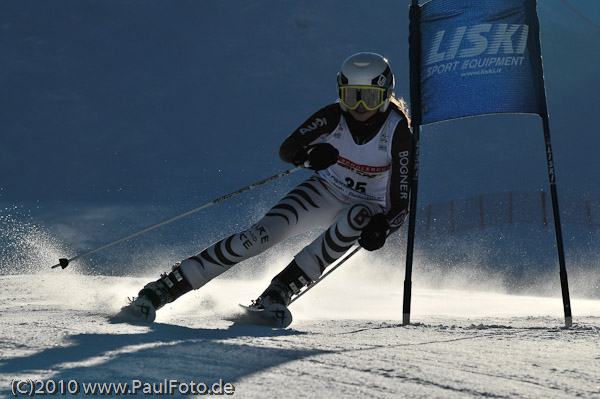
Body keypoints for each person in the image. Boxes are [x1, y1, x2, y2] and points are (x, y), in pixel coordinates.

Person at [118, 52, 413, 324]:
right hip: (325, 190)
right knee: (259, 236)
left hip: (367, 204)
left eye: (370, 99)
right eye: (352, 97)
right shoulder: (334, 116)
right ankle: (169, 285)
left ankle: (282, 289)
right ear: (340, 93)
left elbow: (400, 202)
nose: (360, 107)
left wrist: (383, 227)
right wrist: (307, 158)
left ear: (385, 96)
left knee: (357, 218)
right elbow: (288, 148)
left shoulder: (398, 131)